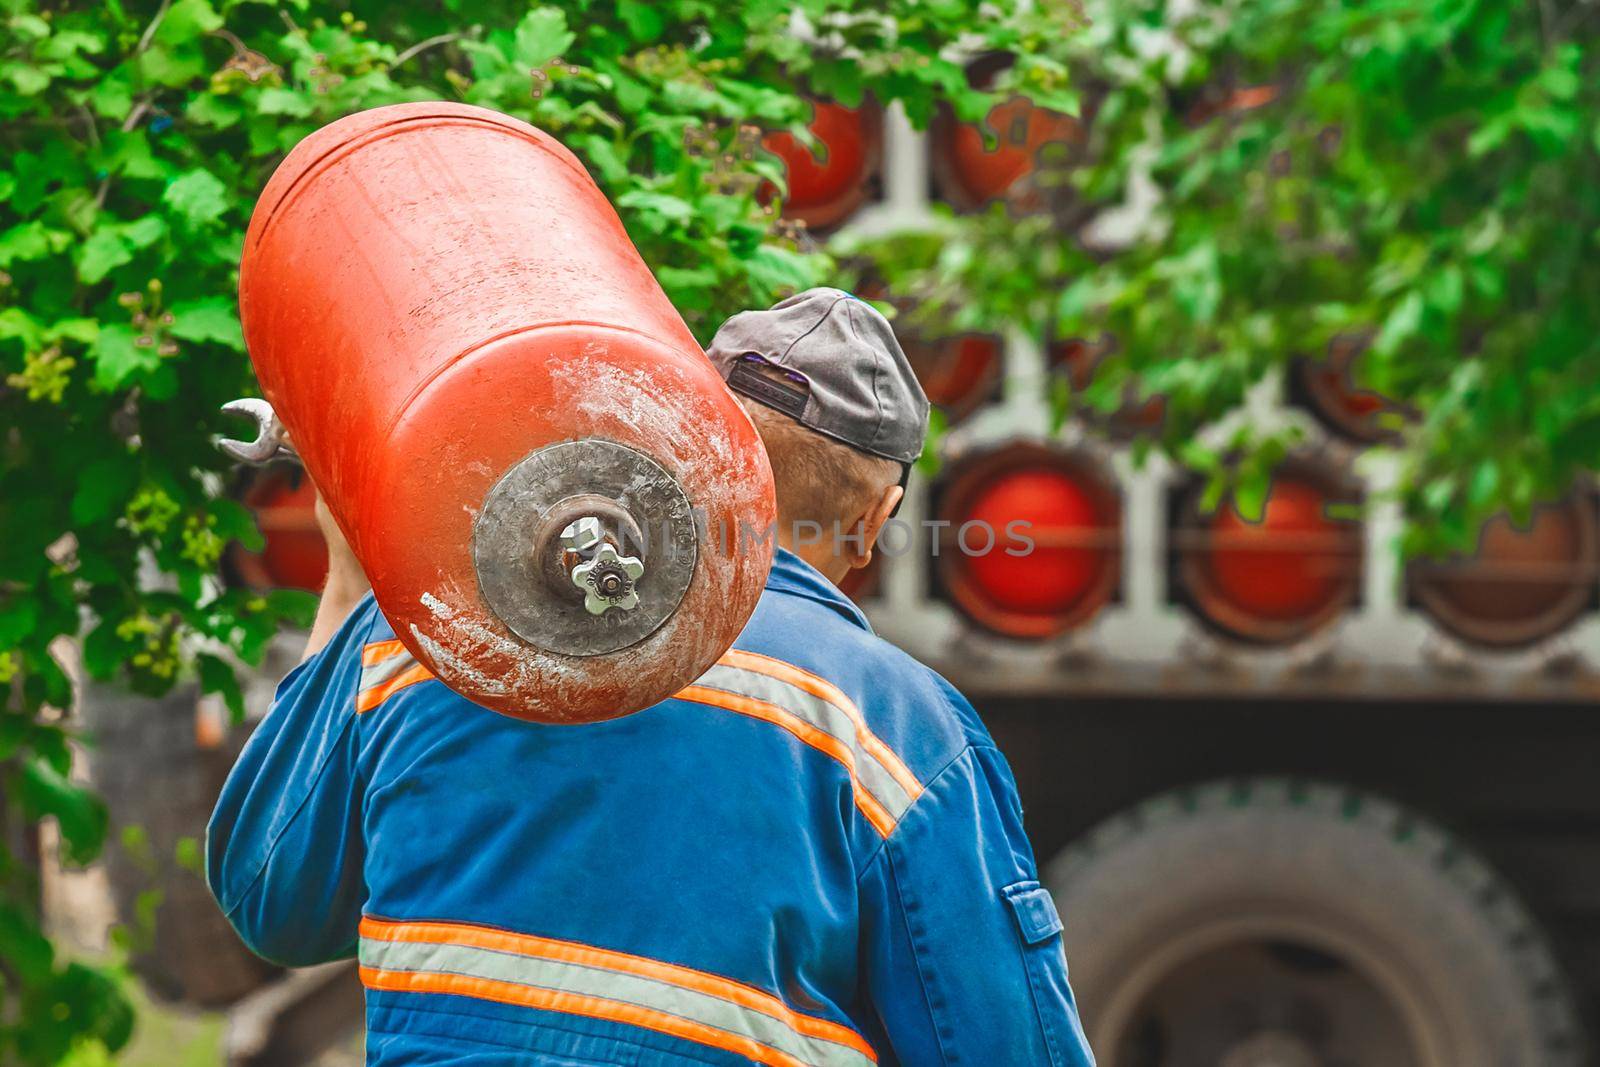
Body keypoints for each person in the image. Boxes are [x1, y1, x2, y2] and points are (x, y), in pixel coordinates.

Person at [207, 287, 1095, 1066]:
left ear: (671, 422)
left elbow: (269, 897)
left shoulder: (440, 623)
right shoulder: (898, 727)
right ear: (877, 518)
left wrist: (356, 576)